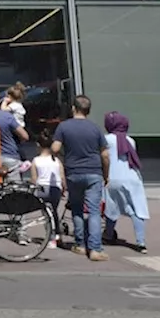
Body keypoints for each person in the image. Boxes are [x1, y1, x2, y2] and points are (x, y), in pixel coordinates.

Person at [52, 95, 110, 261]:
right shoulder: (95, 128)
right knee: (94, 211)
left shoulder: (63, 127)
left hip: (73, 172)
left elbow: (55, 148)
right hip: (94, 172)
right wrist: (106, 175)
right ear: (88, 110)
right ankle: (95, 249)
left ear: (73, 108)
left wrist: (65, 155)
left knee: (76, 208)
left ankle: (80, 244)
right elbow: (105, 155)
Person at [102, 110, 150, 252]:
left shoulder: (107, 139)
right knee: (136, 210)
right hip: (132, 177)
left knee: (112, 208)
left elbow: (104, 157)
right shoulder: (130, 140)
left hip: (113, 177)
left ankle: (109, 234)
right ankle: (141, 242)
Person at [32, 131, 64, 219]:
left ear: (38, 145)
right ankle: (56, 229)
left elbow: (34, 179)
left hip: (41, 189)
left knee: (45, 213)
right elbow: (62, 177)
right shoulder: (57, 160)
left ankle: (49, 228)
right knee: (54, 210)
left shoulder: (36, 160)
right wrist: (64, 188)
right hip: (55, 189)